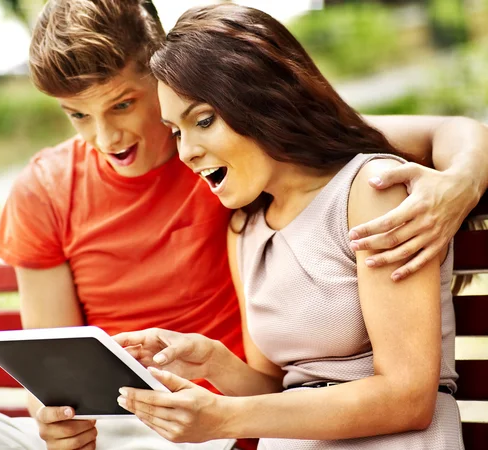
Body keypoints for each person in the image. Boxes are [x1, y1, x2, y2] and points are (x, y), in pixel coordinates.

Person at [0, 1, 487, 450]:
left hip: (203, 427)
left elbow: (433, 134)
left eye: (123, 104)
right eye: (77, 116)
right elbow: (53, 372)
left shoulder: (253, 161)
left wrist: (460, 182)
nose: (107, 139)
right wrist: (58, 419)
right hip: (144, 422)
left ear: (161, 75)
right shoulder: (233, 207)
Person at [112, 4, 487, 449]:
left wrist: (225, 418)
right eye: (176, 131)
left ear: (262, 100)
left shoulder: (371, 189)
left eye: (204, 120)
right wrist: (211, 362)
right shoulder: (245, 231)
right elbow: (278, 396)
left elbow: (407, 398)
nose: (187, 151)